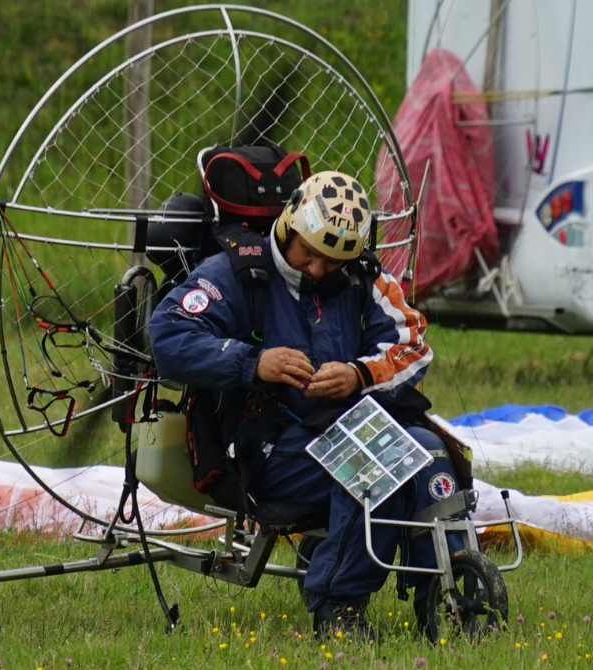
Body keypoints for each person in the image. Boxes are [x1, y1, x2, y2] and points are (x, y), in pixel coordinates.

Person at [148, 170, 465, 642]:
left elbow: (412, 342)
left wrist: (360, 374)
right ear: (289, 226)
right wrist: (254, 363)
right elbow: (168, 337)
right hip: (264, 449)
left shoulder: (358, 275)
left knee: (428, 449)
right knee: (378, 459)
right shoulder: (235, 273)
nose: (318, 269)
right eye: (311, 255)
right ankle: (337, 606)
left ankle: (446, 599)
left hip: (343, 432)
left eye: (333, 261)